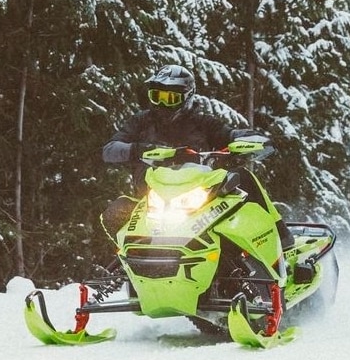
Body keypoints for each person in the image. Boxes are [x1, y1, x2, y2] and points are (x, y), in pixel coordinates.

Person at [100, 64, 291, 249]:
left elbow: (228, 134)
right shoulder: (141, 121)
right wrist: (138, 149)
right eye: (157, 96)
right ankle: (125, 266)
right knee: (116, 212)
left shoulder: (202, 123)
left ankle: (281, 236)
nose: (163, 104)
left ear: (187, 98)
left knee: (244, 178)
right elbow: (109, 150)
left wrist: (247, 139)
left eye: (171, 98)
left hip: (200, 200)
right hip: (151, 198)